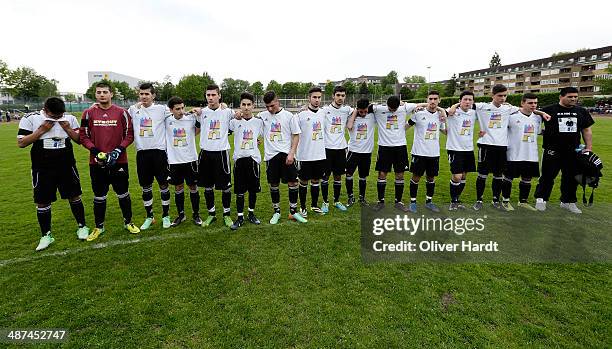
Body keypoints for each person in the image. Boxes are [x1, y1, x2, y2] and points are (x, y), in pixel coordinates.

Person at [448, 84, 549, 210]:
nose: (502, 98)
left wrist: (542, 112)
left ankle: (495, 200)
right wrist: (454, 106)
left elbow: (526, 109)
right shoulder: (482, 107)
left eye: (505, 95)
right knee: (482, 175)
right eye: (500, 95)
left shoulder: (508, 108)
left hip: (502, 147)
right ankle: (479, 200)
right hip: (486, 145)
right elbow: (466, 103)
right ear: (493, 96)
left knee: (498, 175)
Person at [17, 97, 89, 251]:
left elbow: (79, 140)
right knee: (42, 201)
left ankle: (82, 226)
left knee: (74, 195)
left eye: (60, 115)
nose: (57, 118)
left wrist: (68, 129)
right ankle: (46, 235)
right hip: (42, 166)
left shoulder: (69, 118)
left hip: (66, 163)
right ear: (45, 109)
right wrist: (41, 131)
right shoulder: (31, 118)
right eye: (54, 116)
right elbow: (22, 143)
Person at [80, 81, 139, 241]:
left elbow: (129, 135)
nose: (102, 95)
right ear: (95, 94)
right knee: (99, 196)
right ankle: (99, 227)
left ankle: (128, 222)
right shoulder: (88, 113)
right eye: (99, 92)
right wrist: (96, 152)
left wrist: (117, 151)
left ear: (111, 94)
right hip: (96, 163)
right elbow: (83, 136)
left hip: (119, 162)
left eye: (105, 92)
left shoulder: (122, 112)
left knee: (123, 193)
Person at [534, 87, 595, 213]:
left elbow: (586, 130)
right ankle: (541, 199)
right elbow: (529, 113)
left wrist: (588, 148)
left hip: (574, 151)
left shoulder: (581, 111)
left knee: (571, 177)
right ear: (561, 96)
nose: (573, 99)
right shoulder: (549, 110)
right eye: (570, 96)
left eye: (575, 97)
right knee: (547, 176)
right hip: (552, 150)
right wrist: (540, 113)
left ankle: (568, 202)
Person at [128, 82, 172, 230]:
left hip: (159, 153)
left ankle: (166, 216)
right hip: (142, 153)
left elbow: (178, 114)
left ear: (153, 95)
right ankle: (149, 216)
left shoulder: (162, 109)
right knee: (145, 186)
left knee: (163, 185)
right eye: (141, 94)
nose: (144, 96)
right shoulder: (133, 109)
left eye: (147, 94)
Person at [257, 91, 302, 224]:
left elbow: (296, 135)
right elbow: (252, 126)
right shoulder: (262, 116)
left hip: (286, 155)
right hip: (271, 156)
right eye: (267, 107)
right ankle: (276, 212)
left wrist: (291, 153)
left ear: (278, 102)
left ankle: (293, 212)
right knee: (273, 184)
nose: (270, 109)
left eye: (272, 105)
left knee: (293, 183)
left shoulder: (289, 116)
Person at [369, 96, 420, 211]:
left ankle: (398, 202)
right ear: (387, 104)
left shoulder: (404, 108)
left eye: (394, 109)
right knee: (382, 174)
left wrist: (405, 103)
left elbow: (421, 104)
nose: (392, 111)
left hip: (400, 146)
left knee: (400, 174)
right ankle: (380, 201)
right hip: (384, 147)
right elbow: (364, 107)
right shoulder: (378, 109)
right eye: (390, 108)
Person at [197, 84, 235, 227]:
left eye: (213, 95)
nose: (211, 97)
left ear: (219, 96)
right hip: (205, 153)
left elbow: (242, 116)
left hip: (221, 153)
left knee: (226, 187)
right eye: (208, 95)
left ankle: (226, 214)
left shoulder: (227, 112)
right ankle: (211, 214)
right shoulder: (201, 113)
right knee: (207, 186)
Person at [500, 93, 543, 211]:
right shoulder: (512, 117)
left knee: (527, 178)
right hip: (514, 153)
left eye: (535, 103)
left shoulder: (538, 118)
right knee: (508, 178)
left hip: (531, 154)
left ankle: (523, 201)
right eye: (530, 103)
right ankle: (505, 201)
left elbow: (538, 132)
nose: (533, 105)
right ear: (522, 103)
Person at [164, 96, 203, 227]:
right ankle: (181, 214)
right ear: (171, 110)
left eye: (182, 108)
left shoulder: (190, 119)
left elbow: (198, 130)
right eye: (177, 109)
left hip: (191, 159)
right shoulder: (166, 120)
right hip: (174, 161)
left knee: (193, 186)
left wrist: (197, 112)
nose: (181, 111)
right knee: (178, 187)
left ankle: (196, 214)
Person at [407, 91, 447, 213]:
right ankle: (413, 202)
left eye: (435, 99)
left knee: (431, 178)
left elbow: (444, 132)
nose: (433, 101)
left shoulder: (440, 116)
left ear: (439, 100)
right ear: (427, 99)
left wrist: (444, 116)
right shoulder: (418, 114)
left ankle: (429, 202)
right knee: (416, 177)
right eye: (430, 98)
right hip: (419, 152)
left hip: (434, 153)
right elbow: (406, 126)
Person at [228, 92, 264, 229]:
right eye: (244, 104)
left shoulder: (259, 122)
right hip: (239, 160)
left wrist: (257, 141)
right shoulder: (234, 122)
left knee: (253, 190)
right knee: (239, 191)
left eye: (249, 105)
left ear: (253, 106)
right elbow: (223, 113)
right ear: (240, 106)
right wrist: (234, 114)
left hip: (253, 160)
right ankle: (240, 217)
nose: (246, 107)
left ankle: (251, 214)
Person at [294, 87, 328, 222]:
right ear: (309, 98)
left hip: (319, 154)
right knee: (303, 181)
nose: (317, 100)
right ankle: (303, 207)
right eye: (314, 97)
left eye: (319, 97)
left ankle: (314, 205)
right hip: (305, 155)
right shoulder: (300, 115)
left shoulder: (324, 113)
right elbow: (293, 133)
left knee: (316, 181)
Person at [320, 86, 352, 212]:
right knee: (325, 176)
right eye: (338, 95)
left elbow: (358, 110)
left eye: (343, 95)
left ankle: (337, 200)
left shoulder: (347, 110)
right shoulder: (325, 110)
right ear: (333, 96)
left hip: (341, 148)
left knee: (338, 176)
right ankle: (325, 202)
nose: (340, 98)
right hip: (327, 148)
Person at [445, 91, 477, 210]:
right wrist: (454, 106)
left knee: (463, 176)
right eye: (465, 99)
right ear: (460, 101)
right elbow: (445, 114)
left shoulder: (474, 113)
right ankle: (453, 201)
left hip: (468, 149)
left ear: (473, 102)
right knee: (457, 176)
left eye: (470, 100)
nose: (467, 102)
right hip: (454, 148)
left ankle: (457, 200)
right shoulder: (453, 111)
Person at [345, 98, 376, 206]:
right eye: (360, 111)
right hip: (353, 151)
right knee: (349, 174)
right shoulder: (351, 117)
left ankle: (362, 198)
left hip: (366, 152)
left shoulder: (372, 116)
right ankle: (350, 197)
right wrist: (355, 112)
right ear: (357, 109)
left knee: (363, 176)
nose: (363, 114)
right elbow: (349, 127)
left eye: (365, 111)